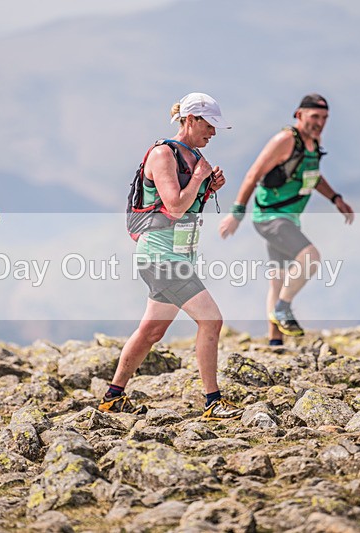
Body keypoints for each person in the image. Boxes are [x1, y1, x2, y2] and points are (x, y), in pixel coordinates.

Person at [101, 92, 245, 420]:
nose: (213, 133)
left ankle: (113, 397)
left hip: (178, 254)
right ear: (191, 120)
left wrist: (208, 188)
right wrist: (198, 178)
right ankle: (213, 401)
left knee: (152, 331)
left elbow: (187, 203)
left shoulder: (192, 156)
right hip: (160, 255)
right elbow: (175, 207)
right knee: (212, 320)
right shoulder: (163, 154)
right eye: (209, 125)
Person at [218, 94, 354, 345]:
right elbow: (253, 174)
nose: (320, 122)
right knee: (311, 257)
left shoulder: (312, 143)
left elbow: (313, 176)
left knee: (278, 278)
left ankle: (275, 341)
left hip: (289, 218)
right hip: (270, 217)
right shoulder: (285, 140)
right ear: (299, 114)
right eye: (315, 116)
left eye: (324, 118)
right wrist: (237, 213)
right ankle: (283, 308)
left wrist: (335, 199)